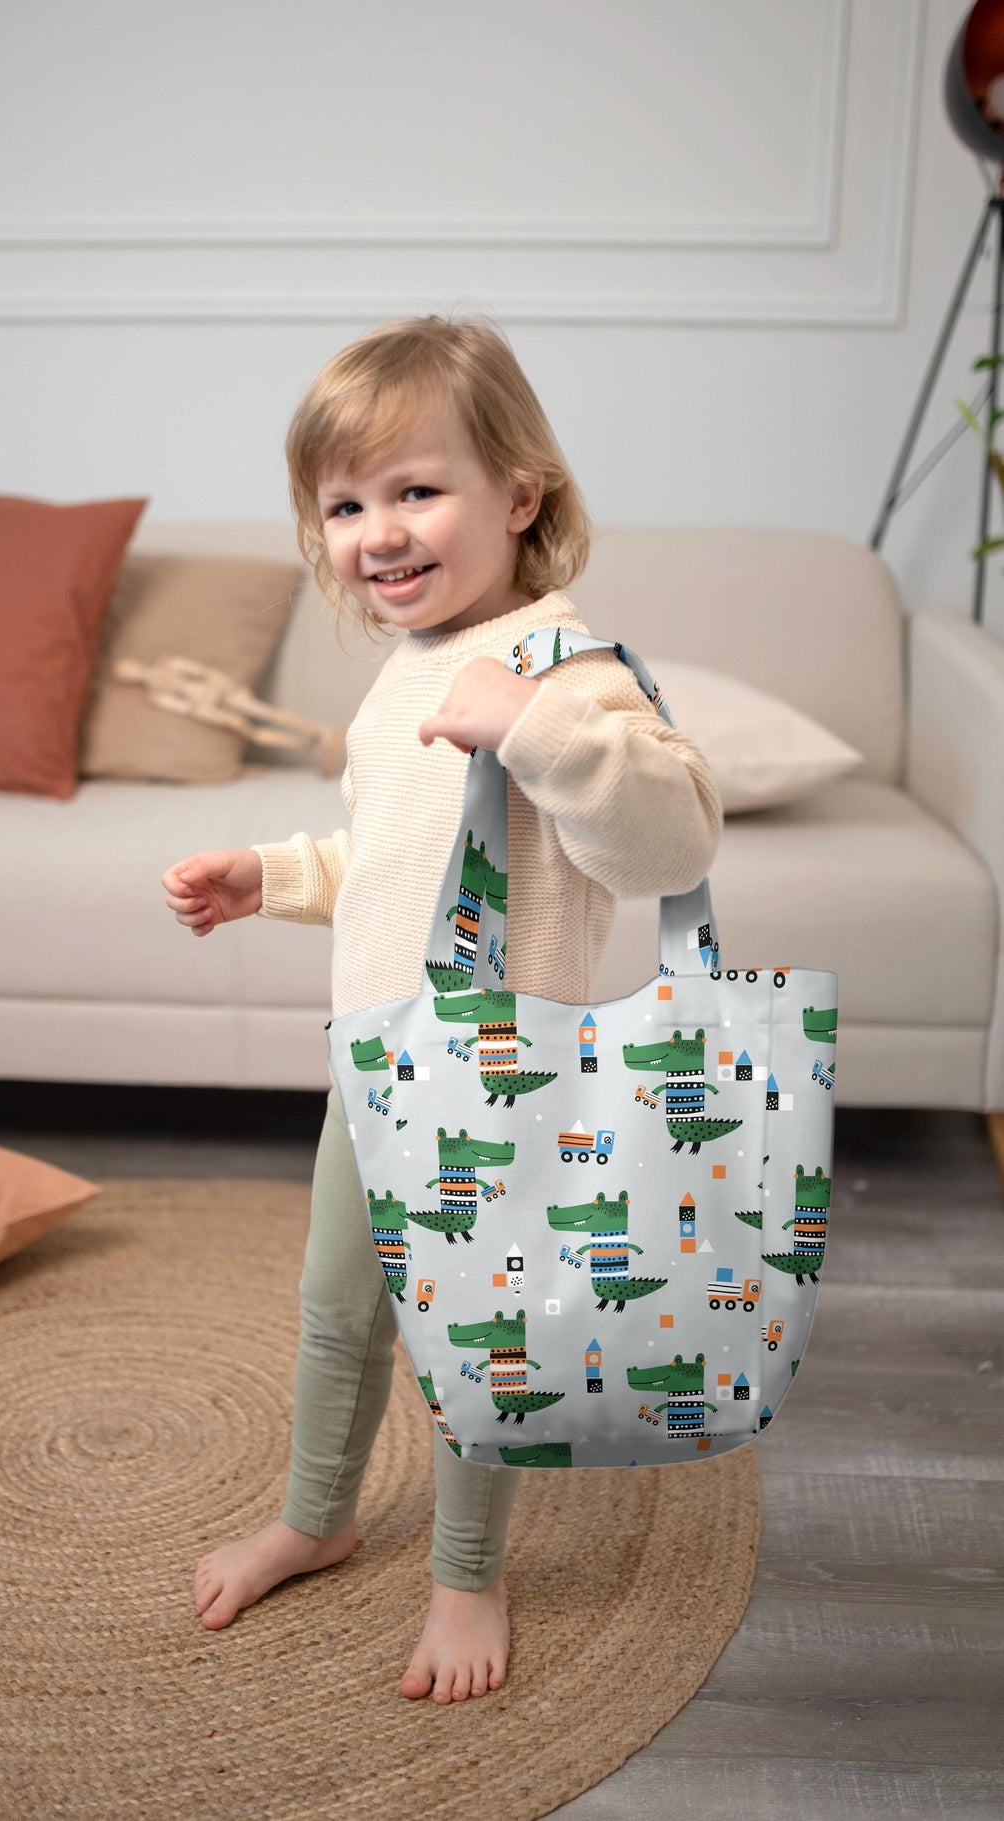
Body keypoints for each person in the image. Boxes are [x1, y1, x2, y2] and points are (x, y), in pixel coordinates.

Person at [160, 311, 723, 1704]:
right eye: (344, 503)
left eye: (414, 489)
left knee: (481, 1334)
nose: (375, 531)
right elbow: (395, 868)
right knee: (333, 1307)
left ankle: (468, 1573)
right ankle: (316, 1510)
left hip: (500, 1078)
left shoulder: (558, 670)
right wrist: (270, 874)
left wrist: (526, 720)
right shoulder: (398, 680)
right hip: (378, 1066)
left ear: (517, 496)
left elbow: (672, 841)